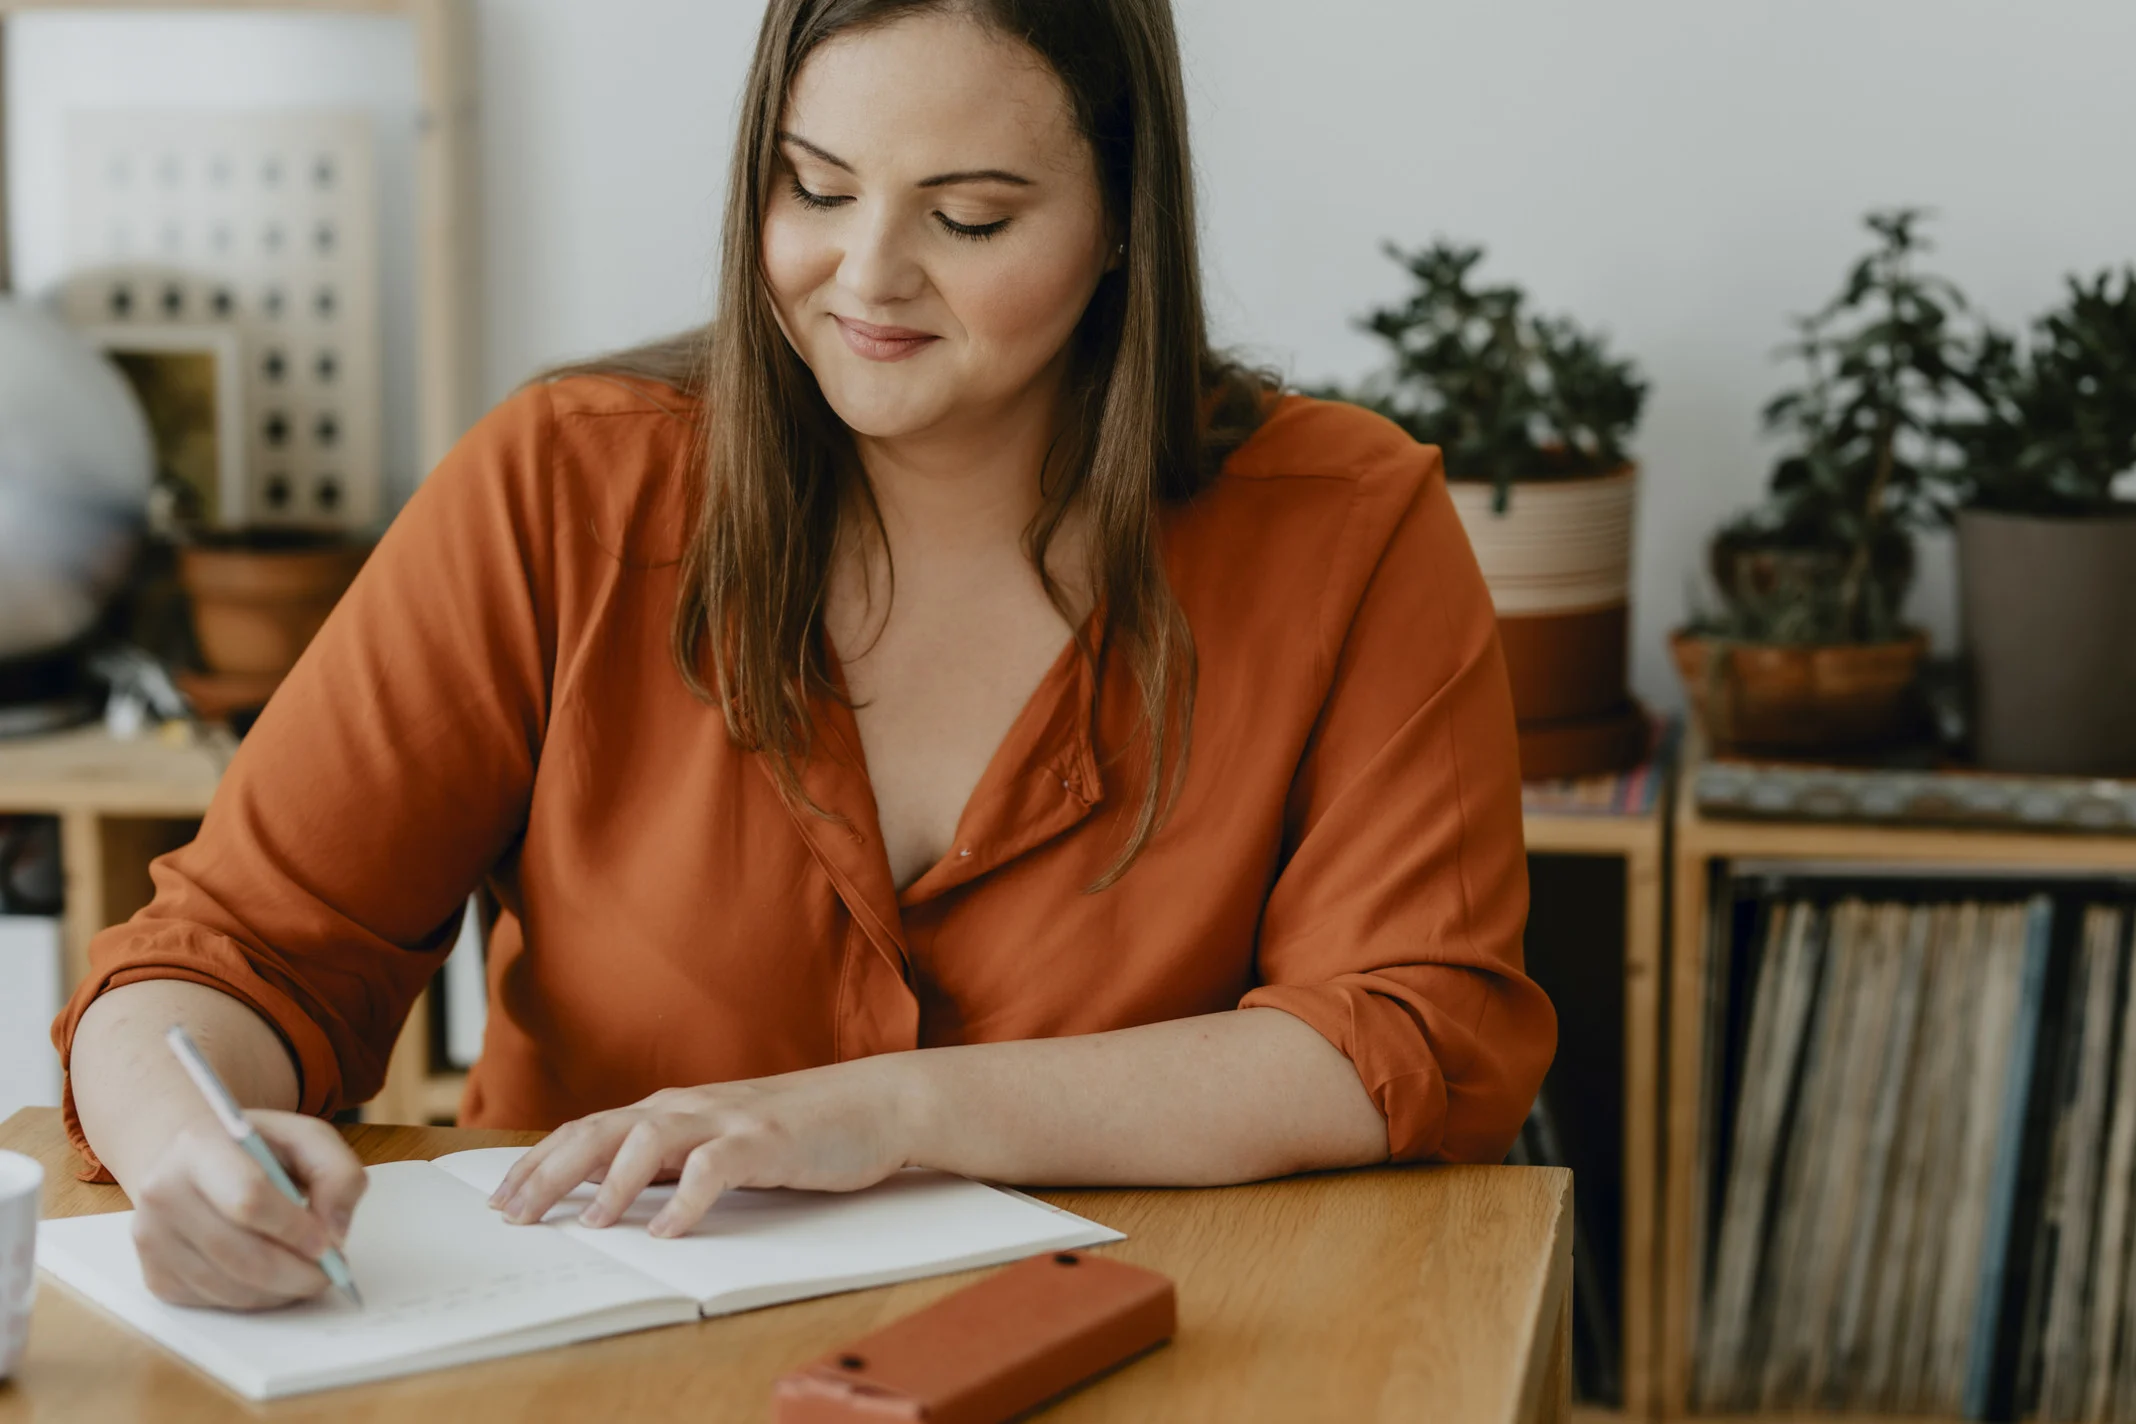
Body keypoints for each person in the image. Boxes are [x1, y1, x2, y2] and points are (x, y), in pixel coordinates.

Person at [56, 0, 1555, 1312]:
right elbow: (231, 955)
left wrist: (885, 1111)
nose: (867, 276)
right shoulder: (564, 488)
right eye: (815, 187)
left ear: (1122, 223)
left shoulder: (1346, 526)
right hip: (599, 1350)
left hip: (1146, 1344)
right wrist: (193, 1151)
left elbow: (1407, 1029)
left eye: (970, 218)